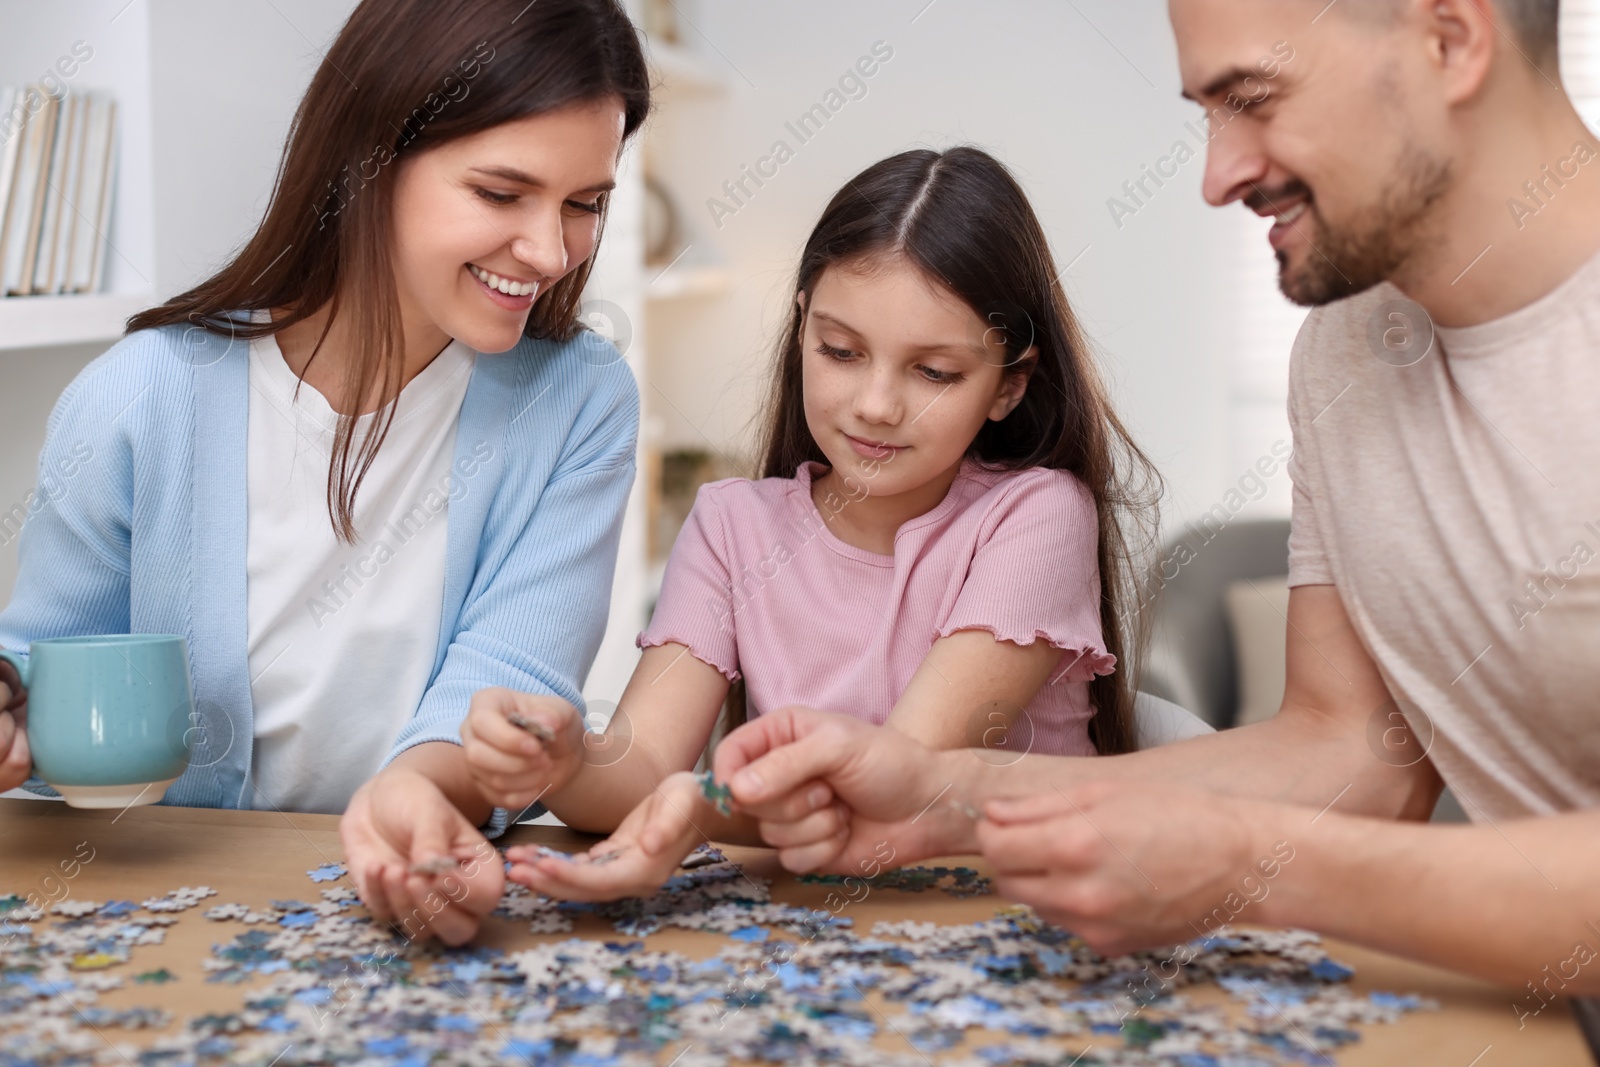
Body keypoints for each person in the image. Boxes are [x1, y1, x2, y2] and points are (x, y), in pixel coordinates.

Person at [712, 0, 1600, 994]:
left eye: (1253, 99)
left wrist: (1244, 862)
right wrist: (944, 795)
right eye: (1205, 114)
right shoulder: (1347, 353)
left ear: (1449, 37)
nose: (1216, 177)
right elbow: (1350, 753)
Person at [0, 0, 650, 945]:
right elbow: (47, 656)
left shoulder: (580, 401)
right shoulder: (139, 396)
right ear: (369, 160)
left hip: (414, 897)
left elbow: (512, 674)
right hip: (153, 910)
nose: (550, 252)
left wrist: (410, 796)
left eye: (585, 204)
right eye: (503, 194)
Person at [457, 146, 1160, 905]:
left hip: (1006, 918)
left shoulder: (1039, 515)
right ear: (801, 329)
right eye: (841, 351)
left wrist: (698, 806)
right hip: (808, 931)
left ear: (1009, 384)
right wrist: (563, 758)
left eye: (934, 372)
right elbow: (639, 770)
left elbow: (895, 779)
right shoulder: (732, 527)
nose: (876, 404)